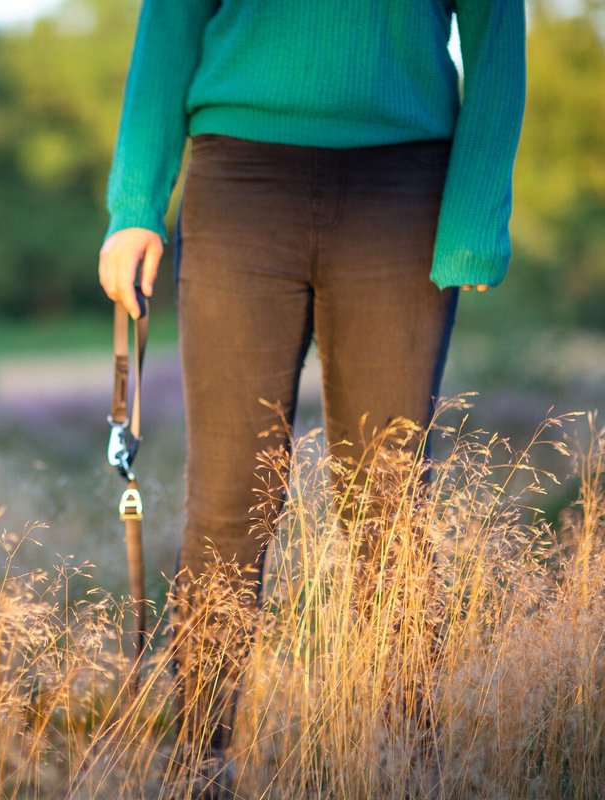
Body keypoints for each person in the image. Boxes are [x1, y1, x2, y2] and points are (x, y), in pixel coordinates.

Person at [97, 0, 526, 775]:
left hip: (406, 182)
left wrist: (475, 214)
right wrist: (135, 204)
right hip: (240, 179)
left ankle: (406, 761)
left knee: (388, 498)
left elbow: (498, 32)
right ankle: (201, 761)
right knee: (229, 499)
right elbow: (168, 23)